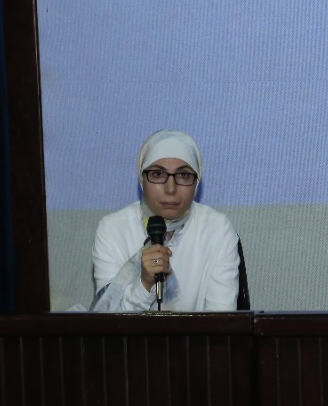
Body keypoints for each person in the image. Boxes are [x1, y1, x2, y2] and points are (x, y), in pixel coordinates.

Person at [90, 129, 240, 312]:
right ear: (142, 179)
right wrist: (144, 284)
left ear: (196, 182)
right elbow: (106, 319)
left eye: (183, 175)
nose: (170, 189)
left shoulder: (217, 229)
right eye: (158, 174)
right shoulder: (113, 230)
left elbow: (223, 319)